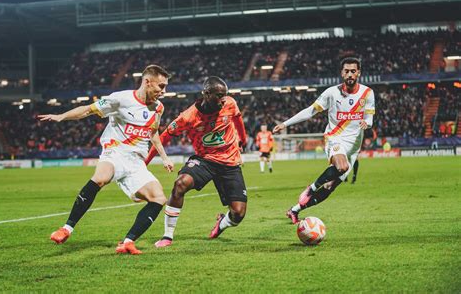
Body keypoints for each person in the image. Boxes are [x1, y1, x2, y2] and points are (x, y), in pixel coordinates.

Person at [38, 65, 174, 255]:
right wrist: (61, 116)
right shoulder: (121, 99)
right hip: (115, 152)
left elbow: (153, 133)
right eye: (161, 86)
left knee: (159, 198)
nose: (164, 92)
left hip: (136, 162)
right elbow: (88, 110)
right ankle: (66, 229)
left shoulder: (158, 108)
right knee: (101, 177)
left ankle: (127, 242)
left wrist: (164, 157)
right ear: (147, 82)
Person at [145, 76, 248, 248]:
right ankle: (167, 236)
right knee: (180, 184)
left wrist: (242, 140)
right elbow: (164, 137)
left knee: (238, 214)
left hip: (230, 162)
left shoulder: (230, 103)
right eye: (219, 95)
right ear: (207, 94)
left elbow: (238, 118)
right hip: (205, 161)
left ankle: (222, 223)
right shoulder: (188, 117)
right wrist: (146, 162)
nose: (223, 99)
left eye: (225, 95)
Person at [273, 57, 375, 224]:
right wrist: (285, 123)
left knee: (329, 188)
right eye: (346, 71)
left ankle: (295, 210)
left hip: (354, 147)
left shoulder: (367, 93)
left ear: (359, 73)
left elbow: (369, 118)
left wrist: (367, 123)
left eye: (353, 71)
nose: (350, 74)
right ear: (342, 73)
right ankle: (310, 188)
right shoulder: (331, 93)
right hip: (335, 137)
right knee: (342, 166)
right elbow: (310, 111)